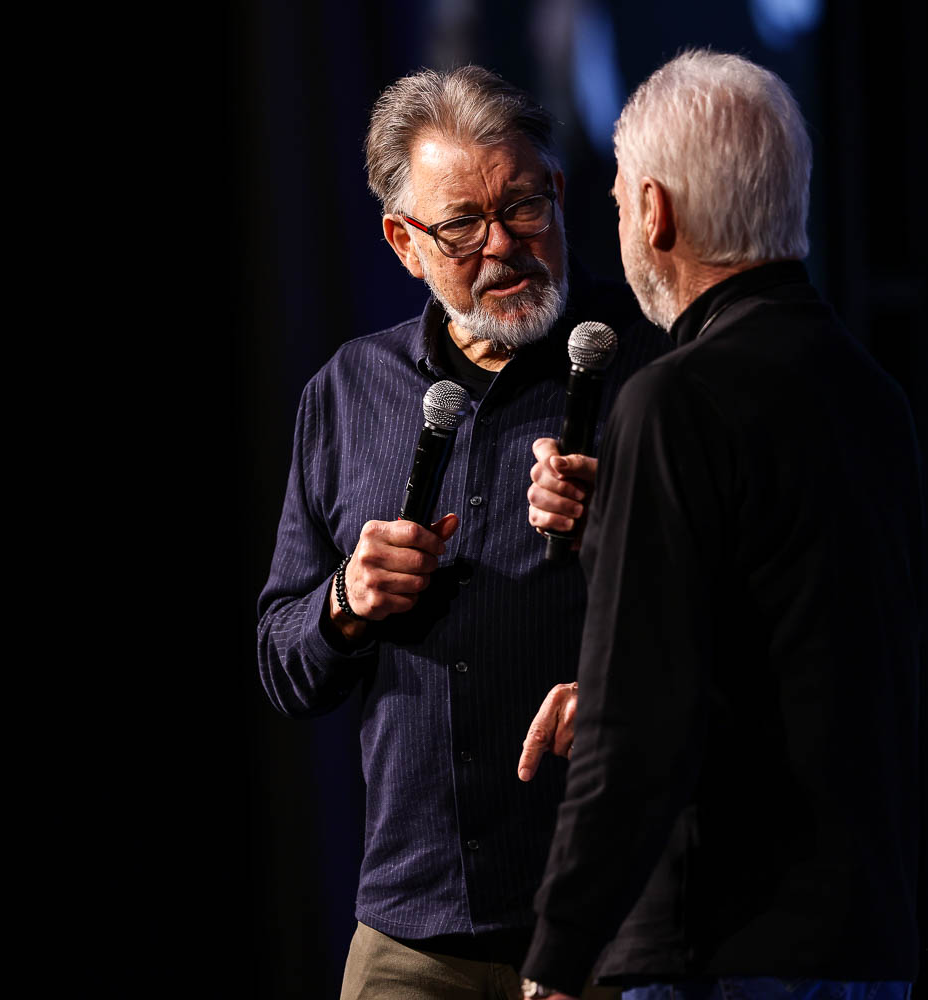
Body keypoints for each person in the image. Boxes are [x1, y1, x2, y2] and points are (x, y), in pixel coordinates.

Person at [516, 50, 923, 1000]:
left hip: (718, 950)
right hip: (867, 946)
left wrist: (559, 956)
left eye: (615, 202)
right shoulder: (878, 400)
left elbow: (640, 716)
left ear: (653, 210)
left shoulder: (672, 401)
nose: (618, 223)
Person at [256, 65, 666, 1000]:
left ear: (561, 192)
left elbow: (761, 615)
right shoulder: (347, 393)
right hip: (411, 935)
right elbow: (281, 661)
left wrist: (630, 533)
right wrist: (343, 604)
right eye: (462, 227)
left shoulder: (655, 363)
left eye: (523, 206)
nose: (504, 247)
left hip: (610, 924)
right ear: (405, 243)